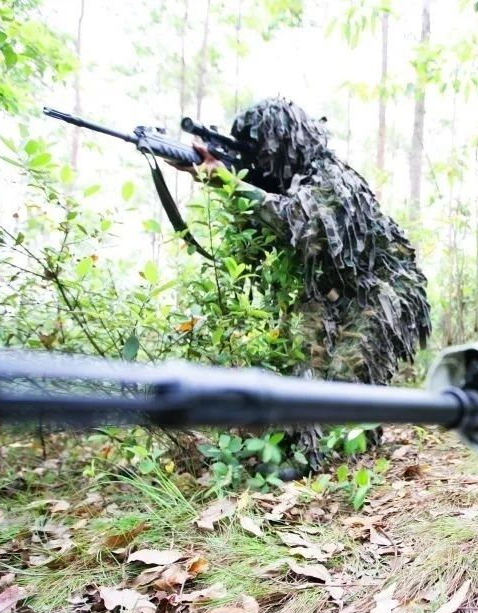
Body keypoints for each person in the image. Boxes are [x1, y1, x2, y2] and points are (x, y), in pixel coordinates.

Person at [175, 98, 432, 467]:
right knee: (305, 363)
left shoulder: (332, 177)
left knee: (349, 369)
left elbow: (301, 224)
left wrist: (232, 183)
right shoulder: (289, 182)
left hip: (387, 288)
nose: (261, 161)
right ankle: (303, 446)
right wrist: (217, 179)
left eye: (263, 150)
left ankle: (347, 451)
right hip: (334, 291)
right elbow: (258, 236)